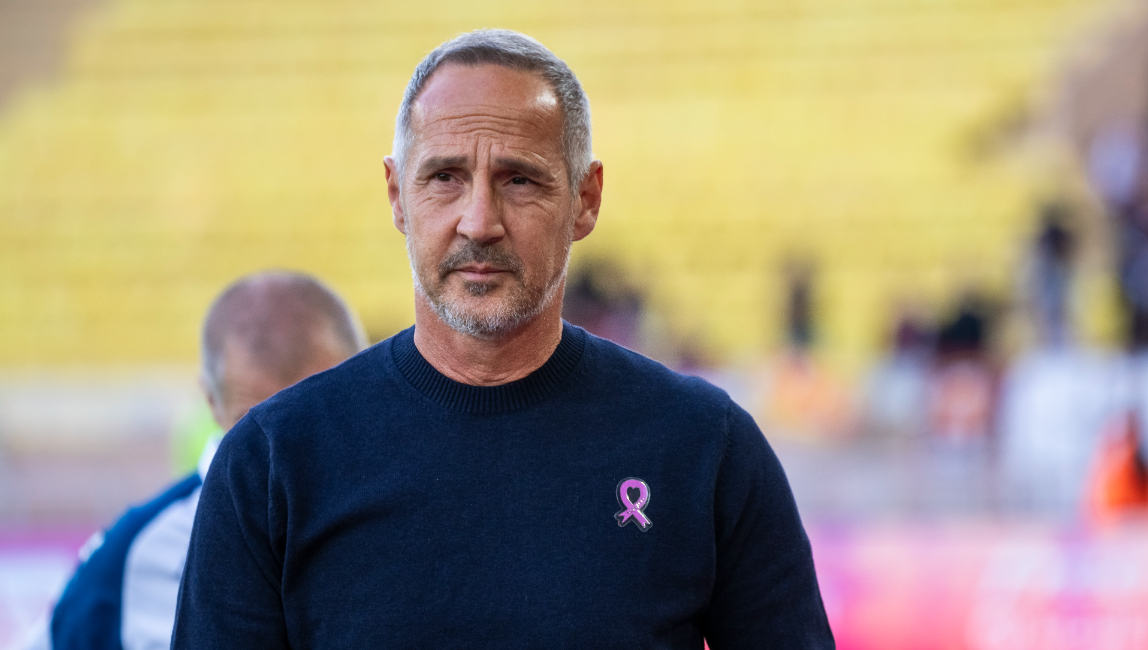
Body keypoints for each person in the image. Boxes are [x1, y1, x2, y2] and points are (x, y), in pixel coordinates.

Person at [173, 29, 833, 649]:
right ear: (397, 195)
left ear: (586, 198)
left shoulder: (703, 447)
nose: (478, 221)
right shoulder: (272, 464)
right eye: (445, 177)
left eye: (519, 179)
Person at [33, 271, 366, 650]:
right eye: (253, 428)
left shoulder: (400, 496)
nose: (287, 454)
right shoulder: (151, 556)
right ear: (211, 402)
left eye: (315, 418)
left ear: (364, 386)